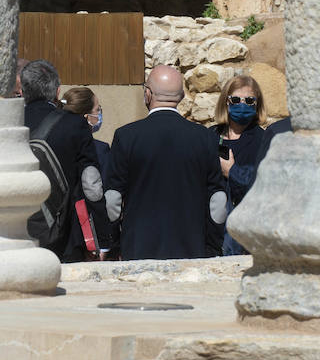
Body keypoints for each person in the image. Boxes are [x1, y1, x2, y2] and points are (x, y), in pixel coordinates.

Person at [105, 64, 226, 260]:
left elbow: (112, 200)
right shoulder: (205, 138)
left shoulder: (126, 137)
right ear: (182, 97)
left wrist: (114, 244)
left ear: (147, 94)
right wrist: (211, 247)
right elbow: (218, 201)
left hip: (138, 249)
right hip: (192, 249)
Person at [20, 60, 103, 258]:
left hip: (15, 232)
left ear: (22, 91)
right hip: (61, 237)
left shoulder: (7, 122)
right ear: (57, 92)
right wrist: (104, 236)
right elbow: (91, 185)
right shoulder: (75, 125)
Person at [59, 86, 116, 261]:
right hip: (85, 232)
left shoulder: (55, 142)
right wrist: (104, 240)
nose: (99, 115)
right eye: (97, 110)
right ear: (86, 118)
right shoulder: (99, 149)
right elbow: (97, 193)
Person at [214, 74, 268, 256]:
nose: (242, 105)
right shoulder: (211, 136)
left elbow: (263, 188)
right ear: (226, 101)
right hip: (213, 231)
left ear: (257, 104)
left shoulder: (263, 140)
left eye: (249, 100)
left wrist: (232, 172)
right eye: (236, 99)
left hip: (245, 234)